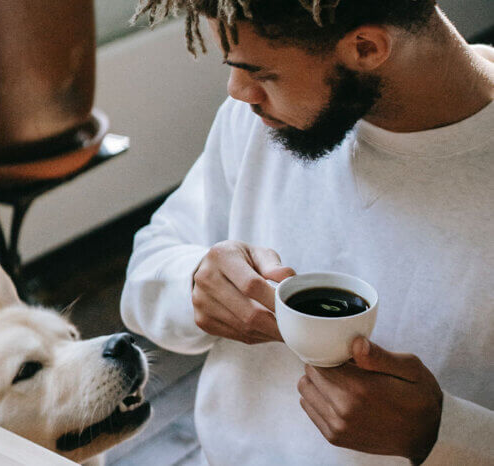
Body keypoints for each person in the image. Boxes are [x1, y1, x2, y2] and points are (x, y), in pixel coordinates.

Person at [120, 1, 493, 464]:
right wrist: (195, 282)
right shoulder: (257, 122)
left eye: (261, 73)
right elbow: (146, 271)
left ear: (365, 46)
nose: (237, 91)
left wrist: (443, 434)